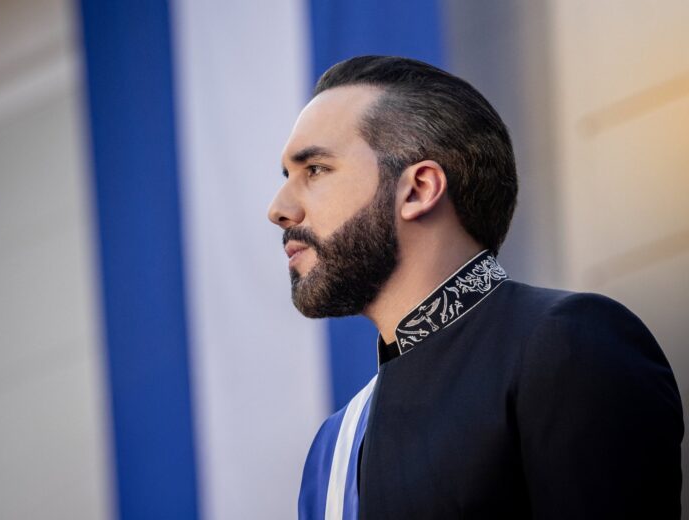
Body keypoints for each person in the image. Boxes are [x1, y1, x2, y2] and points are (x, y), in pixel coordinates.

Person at [268, 56, 683, 520]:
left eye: (315, 169)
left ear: (419, 188)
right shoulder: (332, 451)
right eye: (287, 177)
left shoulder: (568, 345)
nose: (278, 209)